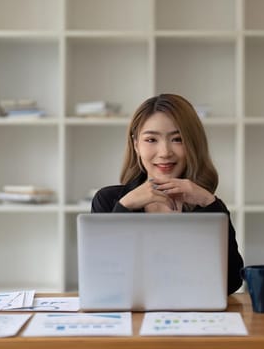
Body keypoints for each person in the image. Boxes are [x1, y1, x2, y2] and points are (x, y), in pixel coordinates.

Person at [91, 93, 244, 295]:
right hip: (131, 319)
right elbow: (101, 282)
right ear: (136, 144)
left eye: (177, 139)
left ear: (193, 144)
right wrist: (124, 206)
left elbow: (231, 282)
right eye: (151, 139)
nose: (164, 152)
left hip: (192, 317)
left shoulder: (205, 205)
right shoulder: (108, 200)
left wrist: (209, 202)